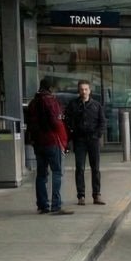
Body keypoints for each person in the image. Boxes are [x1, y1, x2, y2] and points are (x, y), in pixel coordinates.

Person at [27, 77, 73, 215]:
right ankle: (56, 205)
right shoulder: (51, 102)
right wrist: (64, 140)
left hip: (38, 143)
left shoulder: (33, 103)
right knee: (57, 172)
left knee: (41, 174)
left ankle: (42, 205)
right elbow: (57, 123)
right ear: (51, 88)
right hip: (52, 141)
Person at [64, 80, 106, 205]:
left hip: (93, 140)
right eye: (81, 89)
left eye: (86, 89)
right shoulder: (73, 105)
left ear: (90, 90)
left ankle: (96, 195)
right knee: (80, 168)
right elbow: (67, 120)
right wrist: (73, 133)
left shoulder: (96, 105)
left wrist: (98, 134)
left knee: (96, 168)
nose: (83, 91)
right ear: (78, 90)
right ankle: (81, 196)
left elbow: (102, 122)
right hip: (79, 140)